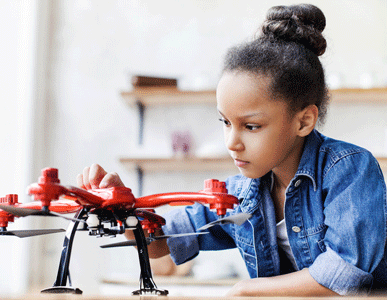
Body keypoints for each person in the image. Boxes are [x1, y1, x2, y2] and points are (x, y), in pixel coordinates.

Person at [77, 4, 387, 296]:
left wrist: (248, 290)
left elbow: (345, 275)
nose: (231, 142)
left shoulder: (350, 170)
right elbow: (159, 242)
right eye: (226, 122)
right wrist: (120, 208)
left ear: (304, 120)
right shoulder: (238, 193)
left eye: (251, 126)